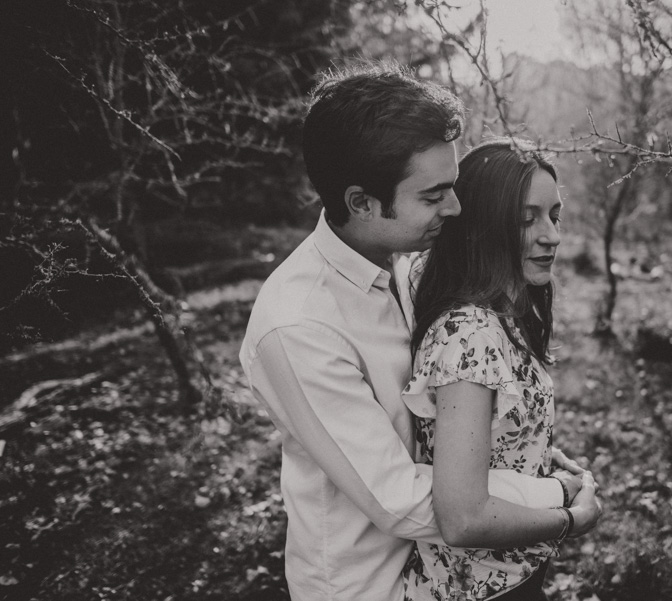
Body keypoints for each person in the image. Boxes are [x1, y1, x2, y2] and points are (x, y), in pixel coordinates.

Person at [239, 63, 595, 601]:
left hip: (444, 570)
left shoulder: (407, 262)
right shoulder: (298, 326)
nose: (455, 208)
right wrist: (553, 495)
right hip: (370, 584)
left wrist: (529, 451)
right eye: (433, 196)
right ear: (361, 202)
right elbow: (398, 497)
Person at [402, 138, 598, 601]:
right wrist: (571, 519)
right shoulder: (470, 335)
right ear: (482, 227)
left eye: (554, 216)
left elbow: (482, 441)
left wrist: (536, 453)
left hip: (515, 578)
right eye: (527, 219)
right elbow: (463, 518)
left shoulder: (504, 316)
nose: (552, 236)